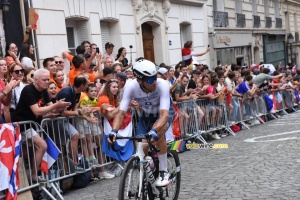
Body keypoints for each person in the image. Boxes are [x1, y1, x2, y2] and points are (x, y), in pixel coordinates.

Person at [108, 59, 174, 186]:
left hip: (163, 112)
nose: (154, 81)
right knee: (141, 145)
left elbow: (164, 115)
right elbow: (121, 112)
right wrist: (114, 131)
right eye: (149, 80)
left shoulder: (162, 84)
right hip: (146, 114)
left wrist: (154, 130)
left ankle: (163, 171)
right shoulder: (131, 87)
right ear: (139, 80)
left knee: (158, 134)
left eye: (154, 77)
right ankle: (149, 167)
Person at [12, 69, 70, 182]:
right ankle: (34, 176)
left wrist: (62, 106)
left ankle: (31, 174)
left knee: (31, 151)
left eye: (48, 79)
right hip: (23, 124)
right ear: (36, 80)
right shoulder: (28, 90)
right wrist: (55, 106)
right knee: (42, 146)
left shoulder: (44, 90)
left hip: (34, 124)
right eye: (44, 80)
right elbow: (37, 111)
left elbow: (51, 107)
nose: (47, 82)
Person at [78, 83, 115, 179]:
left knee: (99, 143)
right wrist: (91, 116)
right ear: (87, 92)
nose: (94, 93)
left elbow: (97, 110)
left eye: (95, 91)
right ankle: (90, 171)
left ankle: (101, 170)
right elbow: (84, 111)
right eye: (91, 91)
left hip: (94, 122)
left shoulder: (96, 100)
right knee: (86, 141)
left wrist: (101, 109)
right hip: (83, 123)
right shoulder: (84, 99)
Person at [56, 74, 89, 171]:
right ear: (82, 85)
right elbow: (61, 112)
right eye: (87, 85)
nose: (88, 87)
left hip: (66, 119)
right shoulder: (66, 93)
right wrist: (78, 112)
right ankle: (73, 163)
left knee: (73, 137)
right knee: (73, 136)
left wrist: (80, 112)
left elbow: (75, 108)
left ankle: (73, 163)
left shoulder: (78, 92)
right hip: (57, 120)